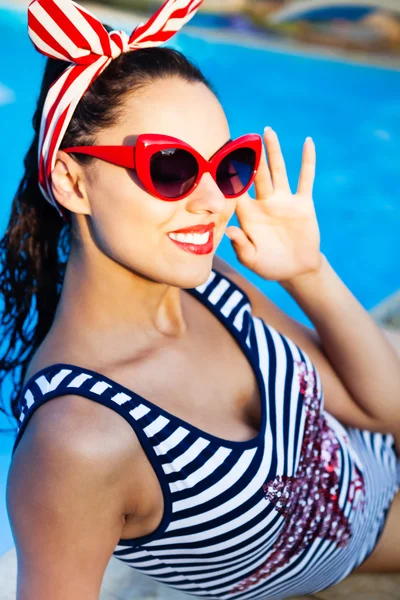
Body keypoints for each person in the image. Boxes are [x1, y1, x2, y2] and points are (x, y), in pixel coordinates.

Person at [1, 0, 399, 599]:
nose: (214, 201)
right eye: (170, 166)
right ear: (72, 181)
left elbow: (382, 412)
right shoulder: (79, 440)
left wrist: (308, 272)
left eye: (226, 166)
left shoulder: (212, 287)